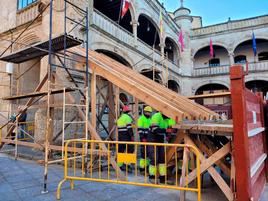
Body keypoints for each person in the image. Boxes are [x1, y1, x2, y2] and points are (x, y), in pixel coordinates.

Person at [148, 112, 176, 184]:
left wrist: (168, 133)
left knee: (162, 160)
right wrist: (166, 131)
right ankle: (152, 177)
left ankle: (163, 178)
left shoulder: (167, 119)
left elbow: (167, 129)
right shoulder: (156, 116)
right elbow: (154, 129)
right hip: (152, 140)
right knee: (154, 158)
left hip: (160, 140)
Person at [116, 105, 134, 172]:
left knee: (121, 151)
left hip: (121, 137)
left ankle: (120, 165)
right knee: (130, 150)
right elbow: (129, 128)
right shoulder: (128, 118)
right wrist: (132, 136)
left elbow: (118, 127)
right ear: (128, 112)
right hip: (127, 136)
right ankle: (127, 164)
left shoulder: (120, 118)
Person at [137, 106, 153, 173]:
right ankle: (142, 168)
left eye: (149, 112)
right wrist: (142, 138)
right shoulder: (141, 119)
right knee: (143, 153)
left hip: (149, 138)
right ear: (145, 112)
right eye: (147, 112)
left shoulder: (150, 119)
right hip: (144, 138)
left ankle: (146, 166)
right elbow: (140, 130)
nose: (148, 114)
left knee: (148, 153)